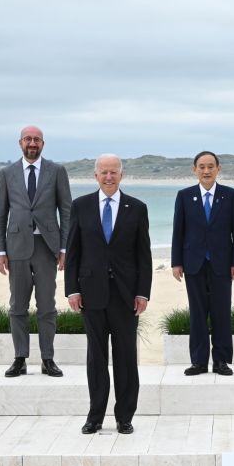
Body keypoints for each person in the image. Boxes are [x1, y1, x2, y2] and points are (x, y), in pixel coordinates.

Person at [65, 154, 152, 435]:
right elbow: (73, 252)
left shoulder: (137, 208)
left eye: (114, 172)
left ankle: (124, 416)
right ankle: (95, 416)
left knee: (126, 357)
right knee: (96, 358)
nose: (109, 176)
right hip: (91, 294)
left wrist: (143, 293)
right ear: (95, 176)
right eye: (104, 172)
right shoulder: (80, 206)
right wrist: (72, 289)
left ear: (121, 175)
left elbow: (144, 256)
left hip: (126, 296)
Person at [0, 125, 73, 378]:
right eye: (28, 139)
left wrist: (64, 247)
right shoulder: (7, 173)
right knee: (17, 305)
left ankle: (48, 359)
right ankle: (20, 358)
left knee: (47, 305)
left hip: (47, 248)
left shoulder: (57, 171)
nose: (32, 143)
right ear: (20, 143)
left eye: (36, 140)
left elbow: (66, 210)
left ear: (43, 144)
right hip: (16, 248)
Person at [171, 151, 234, 376]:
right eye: (201, 167)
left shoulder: (231, 196)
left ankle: (221, 361)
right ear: (194, 170)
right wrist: (176, 263)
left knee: (221, 313)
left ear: (218, 169)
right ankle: (199, 362)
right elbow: (178, 231)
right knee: (197, 314)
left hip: (222, 264)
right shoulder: (184, 196)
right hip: (193, 263)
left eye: (210, 166)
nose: (206, 171)